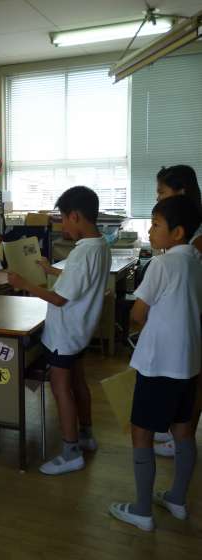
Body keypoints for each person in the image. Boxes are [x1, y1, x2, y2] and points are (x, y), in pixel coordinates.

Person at [109, 196, 202, 532]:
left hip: (159, 364)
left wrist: (147, 324)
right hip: (188, 364)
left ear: (177, 232)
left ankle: (142, 510)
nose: (150, 230)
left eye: (156, 224)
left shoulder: (162, 264)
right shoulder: (196, 262)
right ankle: (177, 498)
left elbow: (138, 313)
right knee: (183, 432)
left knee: (142, 433)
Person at [8, 186, 111, 475]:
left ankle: (70, 452)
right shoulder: (100, 246)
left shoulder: (80, 253)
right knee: (79, 383)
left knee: (60, 387)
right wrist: (51, 270)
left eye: (64, 219)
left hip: (65, 334)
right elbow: (82, 279)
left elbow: (58, 298)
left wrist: (24, 284)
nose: (62, 225)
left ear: (75, 216)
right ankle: (86, 435)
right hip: (81, 331)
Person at [154, 165, 202, 457]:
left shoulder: (197, 239)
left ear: (181, 192)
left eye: (162, 192)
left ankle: (184, 437)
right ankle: (178, 431)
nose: (158, 198)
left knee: (193, 380)